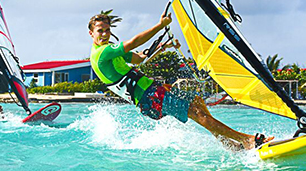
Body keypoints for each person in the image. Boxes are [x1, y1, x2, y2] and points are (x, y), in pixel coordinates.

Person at [89, 11, 273, 150]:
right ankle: (246, 140)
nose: (104, 34)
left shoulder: (111, 53)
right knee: (195, 112)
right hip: (148, 97)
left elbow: (139, 58)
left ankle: (227, 142)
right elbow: (134, 43)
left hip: (152, 92)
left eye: (107, 30)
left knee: (196, 101)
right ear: (91, 33)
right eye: (100, 31)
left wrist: (164, 46)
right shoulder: (103, 53)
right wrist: (161, 25)